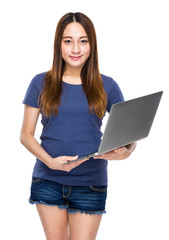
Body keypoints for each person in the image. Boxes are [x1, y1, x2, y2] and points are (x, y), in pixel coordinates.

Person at [20, 12, 136, 240]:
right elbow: (26, 134)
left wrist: (127, 151)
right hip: (48, 180)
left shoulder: (108, 86)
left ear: (91, 45)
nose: (75, 49)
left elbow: (129, 135)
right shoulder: (40, 83)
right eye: (68, 41)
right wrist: (50, 162)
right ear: (59, 45)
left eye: (83, 41)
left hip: (90, 183)